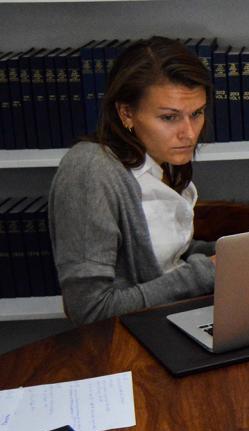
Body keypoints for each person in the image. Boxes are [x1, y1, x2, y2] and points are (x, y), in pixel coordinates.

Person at [49, 36, 215, 325]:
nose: (189, 133)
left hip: (176, 321)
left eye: (197, 113)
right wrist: (205, 273)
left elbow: (167, 257)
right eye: (169, 117)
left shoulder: (160, 158)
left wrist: (232, 254)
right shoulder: (90, 172)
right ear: (127, 113)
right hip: (132, 341)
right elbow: (89, 311)